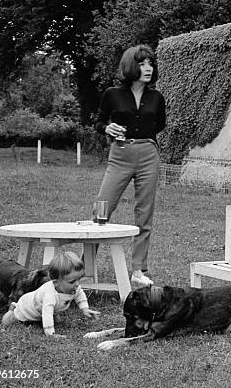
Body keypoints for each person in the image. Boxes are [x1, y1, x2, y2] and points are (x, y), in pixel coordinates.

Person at [94, 44, 166, 286]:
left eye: (150, 63)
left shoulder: (157, 97)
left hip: (148, 155)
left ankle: (138, 270)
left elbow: (159, 125)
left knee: (144, 213)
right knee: (102, 209)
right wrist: (106, 128)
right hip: (120, 155)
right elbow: (98, 120)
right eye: (142, 63)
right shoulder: (112, 94)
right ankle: (86, 267)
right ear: (130, 66)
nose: (148, 68)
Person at [1, 251, 100, 337]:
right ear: (56, 282)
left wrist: (85, 308)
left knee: (56, 319)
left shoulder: (74, 287)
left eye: (79, 279)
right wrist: (51, 334)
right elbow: (47, 313)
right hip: (27, 308)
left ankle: (53, 315)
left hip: (48, 308)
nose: (77, 284)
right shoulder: (50, 295)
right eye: (72, 281)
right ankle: (12, 310)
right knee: (12, 318)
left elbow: (79, 295)